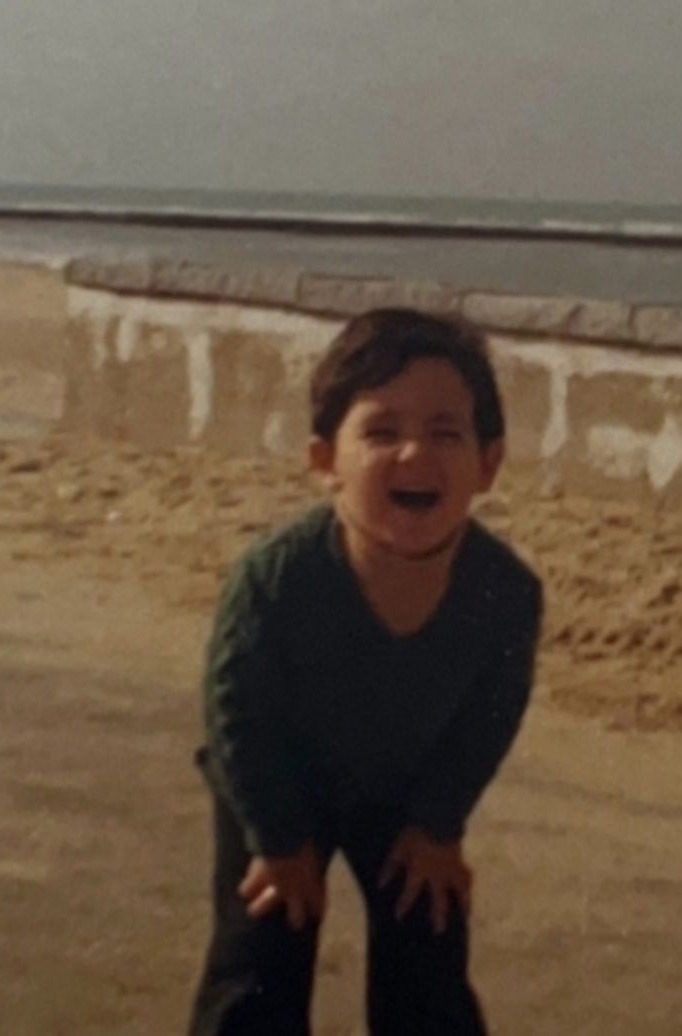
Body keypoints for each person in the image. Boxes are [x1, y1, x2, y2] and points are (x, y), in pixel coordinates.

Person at [188, 308, 544, 1036]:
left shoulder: (504, 592)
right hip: (276, 777)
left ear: (488, 461)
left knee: (429, 944)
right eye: (381, 432)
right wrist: (280, 840)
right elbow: (235, 712)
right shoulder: (275, 580)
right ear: (326, 461)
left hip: (407, 785)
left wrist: (439, 821)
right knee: (260, 955)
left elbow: (491, 714)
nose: (415, 453)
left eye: (446, 432)